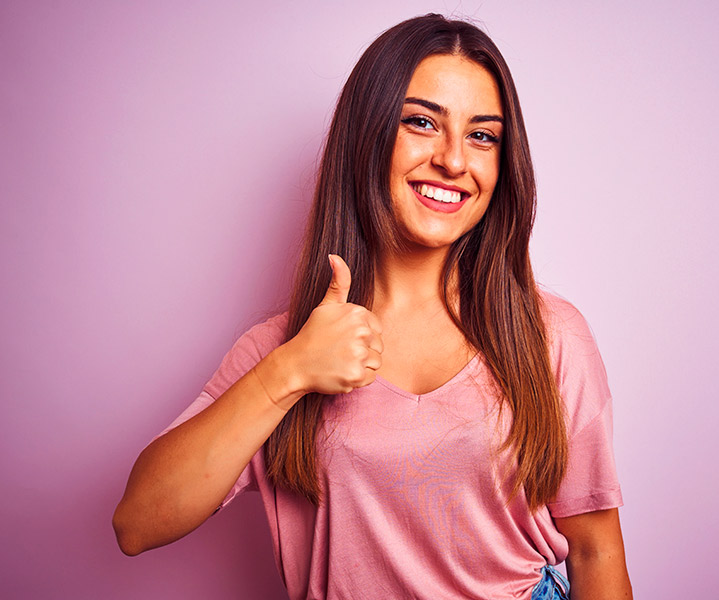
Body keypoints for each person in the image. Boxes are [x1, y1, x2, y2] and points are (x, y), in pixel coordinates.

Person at [113, 13, 632, 600]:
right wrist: (289, 373)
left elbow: (596, 551)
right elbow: (137, 523)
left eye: (482, 135)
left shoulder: (549, 336)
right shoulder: (283, 349)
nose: (454, 161)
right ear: (368, 134)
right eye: (421, 123)